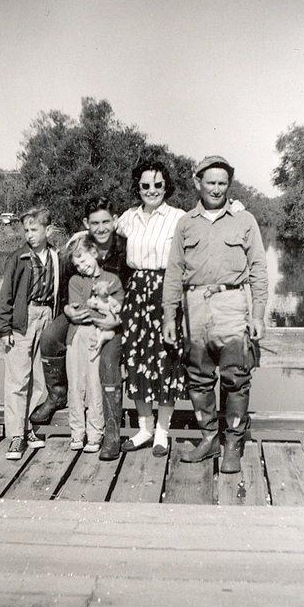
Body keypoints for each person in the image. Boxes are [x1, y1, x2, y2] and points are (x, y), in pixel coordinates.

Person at [162, 156, 268, 473]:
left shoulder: (244, 220)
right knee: (198, 378)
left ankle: (233, 445)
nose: (217, 189)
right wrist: (170, 316)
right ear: (198, 183)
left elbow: (259, 270)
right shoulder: (186, 223)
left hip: (232, 305)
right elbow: (174, 272)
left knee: (236, 378)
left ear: (228, 185)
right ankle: (209, 440)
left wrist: (259, 313)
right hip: (194, 308)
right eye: (211, 182)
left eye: (222, 183)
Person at [30, 196, 131, 461]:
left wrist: (115, 321)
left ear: (114, 221)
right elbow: (66, 290)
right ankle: (57, 394)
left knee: (107, 361)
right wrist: (66, 310)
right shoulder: (77, 247)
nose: (100, 228)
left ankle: (108, 433)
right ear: (87, 223)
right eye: (94, 223)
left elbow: (126, 295)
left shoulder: (124, 249)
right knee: (50, 336)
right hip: (80, 312)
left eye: (105, 222)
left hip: (111, 317)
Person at [117, 159, 188, 458]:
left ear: (166, 186)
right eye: (145, 185)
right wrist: (81, 237)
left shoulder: (179, 217)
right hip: (135, 295)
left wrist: (235, 209)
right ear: (138, 187)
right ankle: (144, 428)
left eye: (158, 184)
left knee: (166, 362)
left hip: (166, 293)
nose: (152, 190)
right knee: (135, 360)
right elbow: (103, 235)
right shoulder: (128, 218)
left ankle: (162, 432)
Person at [0, 205, 65, 460]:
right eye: (26, 230)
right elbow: (7, 295)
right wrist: (4, 328)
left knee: (38, 377)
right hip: (23, 320)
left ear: (48, 230)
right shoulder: (18, 258)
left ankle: (28, 428)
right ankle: (15, 436)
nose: (29, 235)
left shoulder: (56, 257)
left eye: (34, 229)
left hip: (46, 317)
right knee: (17, 379)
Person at [62, 234, 125, 452]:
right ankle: (77, 431)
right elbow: (79, 311)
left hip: (98, 336)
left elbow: (120, 310)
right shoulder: (75, 281)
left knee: (94, 385)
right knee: (76, 384)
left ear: (94, 253)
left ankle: (95, 433)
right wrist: (104, 311)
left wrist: (108, 314)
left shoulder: (112, 279)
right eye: (76, 263)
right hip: (77, 335)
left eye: (84, 259)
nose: (81, 266)